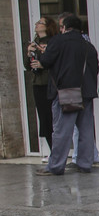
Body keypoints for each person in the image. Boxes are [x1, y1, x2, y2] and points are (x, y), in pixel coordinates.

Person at [35, 14, 99, 175]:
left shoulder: (58, 41)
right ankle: (85, 164)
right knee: (86, 130)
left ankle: (55, 166)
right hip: (86, 93)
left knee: (62, 131)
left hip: (65, 93)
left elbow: (46, 61)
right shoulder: (88, 46)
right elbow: (95, 68)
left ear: (64, 28)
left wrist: (43, 55)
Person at [26, 16, 59, 152]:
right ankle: (53, 151)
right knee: (44, 119)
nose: (36, 24)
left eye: (40, 23)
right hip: (38, 84)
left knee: (52, 119)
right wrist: (29, 53)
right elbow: (28, 66)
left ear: (48, 26)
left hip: (49, 84)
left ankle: (58, 152)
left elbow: (55, 61)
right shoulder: (34, 43)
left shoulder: (53, 42)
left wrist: (43, 62)